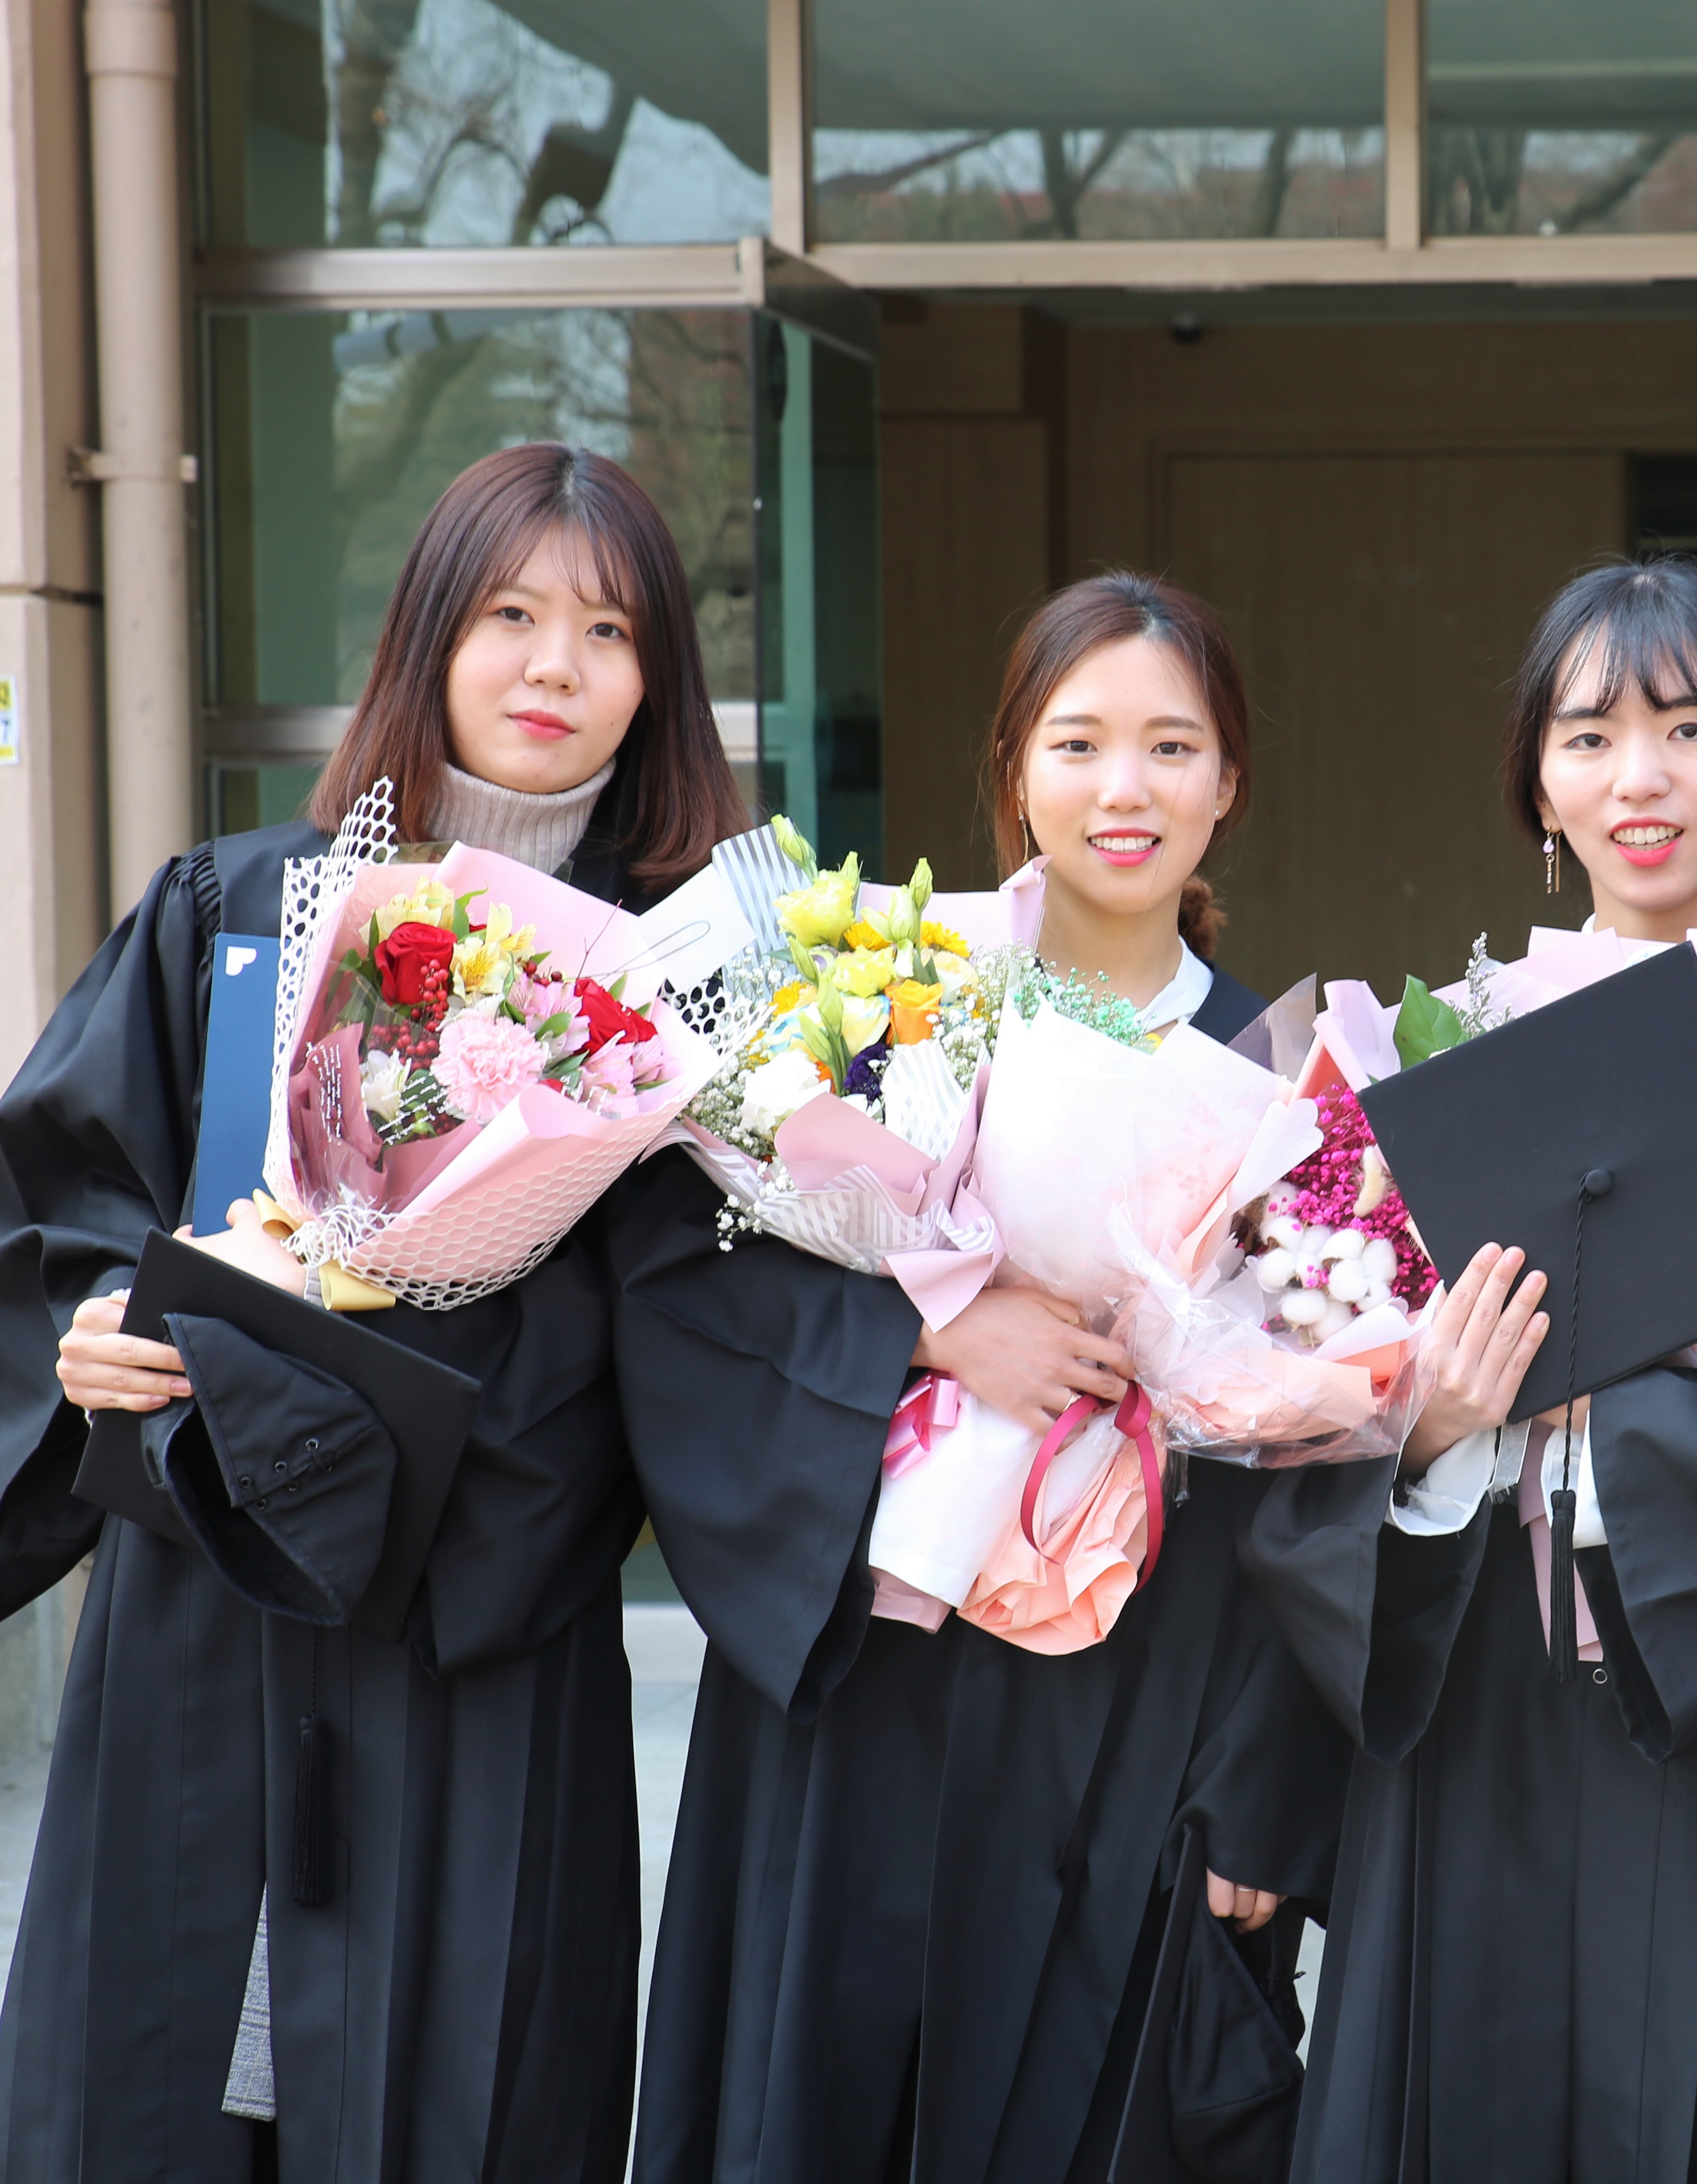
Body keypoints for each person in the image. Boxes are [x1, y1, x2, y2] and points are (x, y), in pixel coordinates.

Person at [0, 442, 748, 2181]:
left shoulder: (686, 998)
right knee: (154, 2082)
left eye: (609, 631)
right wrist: (98, 1323)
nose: (554, 665)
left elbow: (708, 1326)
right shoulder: (237, 910)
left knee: (460, 2093)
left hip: (485, 1618)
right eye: (511, 614)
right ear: (429, 633)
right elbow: (63, 1194)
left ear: (659, 683)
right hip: (208, 1588)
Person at [616, 570, 1351, 2183]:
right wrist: (925, 1327)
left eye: (1172, 747)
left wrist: (1267, 1781)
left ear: (1229, 780)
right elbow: (690, 1287)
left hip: (1138, 1697)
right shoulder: (883, 1005)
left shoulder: (1288, 1088)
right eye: (1078, 743)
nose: (1123, 788)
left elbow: (1335, 1446)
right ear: (1015, 768)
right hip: (870, 1664)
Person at [1246, 558, 1697, 2182]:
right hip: (1476, 1713)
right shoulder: (1438, 1055)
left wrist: (1595, 1399)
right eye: (1588, 736)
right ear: (1537, 786)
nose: (1640, 777)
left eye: (1690, 728)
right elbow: (1307, 1429)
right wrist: (1436, 1427)